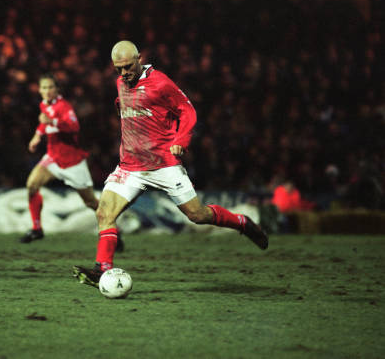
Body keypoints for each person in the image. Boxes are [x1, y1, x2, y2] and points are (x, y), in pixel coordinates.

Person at [73, 41, 268, 288]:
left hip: (163, 164)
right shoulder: (120, 83)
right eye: (118, 69)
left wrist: (181, 139)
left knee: (197, 215)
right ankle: (103, 269)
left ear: (139, 58)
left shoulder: (161, 83)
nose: (123, 73)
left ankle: (243, 223)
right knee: (104, 213)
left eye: (127, 66)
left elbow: (187, 111)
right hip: (130, 166)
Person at [20, 74, 124, 250]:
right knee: (32, 185)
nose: (46, 91)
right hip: (53, 158)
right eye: (43, 88)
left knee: (91, 202)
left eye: (50, 87)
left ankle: (115, 231)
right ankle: (37, 228)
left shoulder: (64, 106)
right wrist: (37, 137)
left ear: (57, 89)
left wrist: (51, 121)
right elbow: (43, 123)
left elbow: (74, 127)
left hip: (72, 162)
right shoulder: (44, 105)